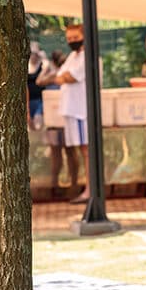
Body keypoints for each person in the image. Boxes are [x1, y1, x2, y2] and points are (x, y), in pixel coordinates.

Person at [55, 24, 90, 204]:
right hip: (71, 109)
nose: (72, 42)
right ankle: (85, 187)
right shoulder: (72, 56)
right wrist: (65, 77)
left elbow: (69, 77)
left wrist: (65, 77)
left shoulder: (87, 57)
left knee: (86, 150)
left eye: (75, 38)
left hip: (81, 110)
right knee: (79, 150)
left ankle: (90, 189)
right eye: (69, 39)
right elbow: (60, 76)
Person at [37, 49, 79, 196]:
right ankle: (54, 185)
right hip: (53, 120)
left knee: (70, 152)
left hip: (67, 117)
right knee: (56, 153)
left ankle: (74, 184)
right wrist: (49, 69)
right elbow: (39, 81)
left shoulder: (69, 74)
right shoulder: (54, 75)